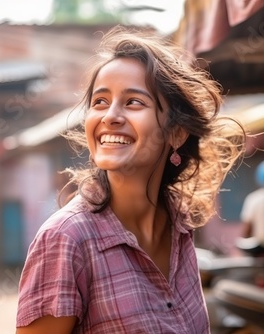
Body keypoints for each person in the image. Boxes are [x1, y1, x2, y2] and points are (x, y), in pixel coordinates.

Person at [16, 26, 245, 333]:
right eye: (100, 102)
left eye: (134, 102)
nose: (110, 116)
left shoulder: (179, 223)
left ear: (176, 133)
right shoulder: (67, 239)